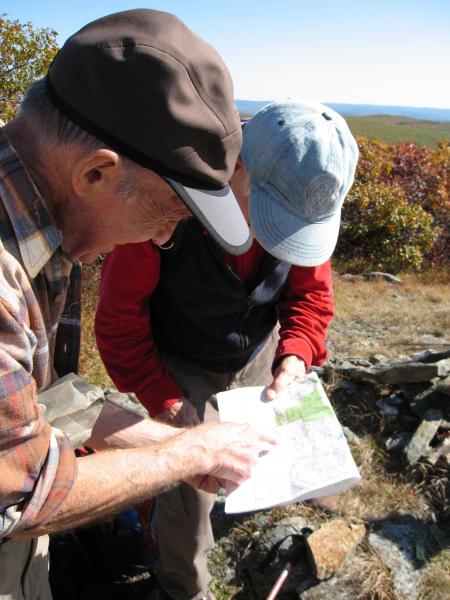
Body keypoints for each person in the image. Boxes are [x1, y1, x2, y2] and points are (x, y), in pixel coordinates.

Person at [0, 9, 277, 600]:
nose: (158, 241)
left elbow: (46, 400)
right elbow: (20, 490)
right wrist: (185, 453)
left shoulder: (44, 231)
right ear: (98, 172)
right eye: (164, 216)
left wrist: (169, 445)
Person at [95, 99, 359, 600]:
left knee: (257, 466)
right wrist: (169, 403)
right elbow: (118, 323)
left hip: (257, 357)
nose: (276, 235)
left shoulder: (302, 195)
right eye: (268, 215)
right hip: (176, 361)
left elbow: (309, 295)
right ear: (236, 167)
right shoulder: (165, 203)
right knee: (187, 491)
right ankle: (181, 585)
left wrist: (295, 354)